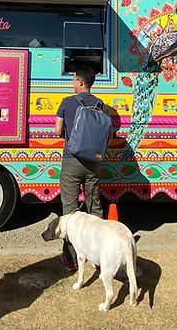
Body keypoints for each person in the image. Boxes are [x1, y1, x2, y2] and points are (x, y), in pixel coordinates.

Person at [54, 64, 108, 271]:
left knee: (69, 211)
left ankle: (72, 259)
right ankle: (98, 258)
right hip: (93, 162)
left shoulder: (67, 102)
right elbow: (107, 134)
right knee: (94, 208)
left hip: (71, 160)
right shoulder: (100, 104)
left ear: (80, 82)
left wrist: (69, 136)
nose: (72, 82)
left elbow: (58, 130)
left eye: (74, 79)